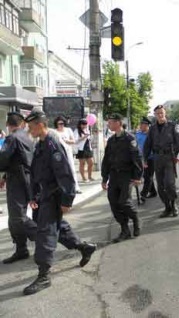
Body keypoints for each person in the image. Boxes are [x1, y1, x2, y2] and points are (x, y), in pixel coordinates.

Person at [23, 110, 96, 295]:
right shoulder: (40, 144)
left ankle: (44, 276)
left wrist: (67, 200)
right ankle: (84, 247)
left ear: (40, 125)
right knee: (59, 228)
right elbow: (36, 173)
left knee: (45, 235)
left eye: (31, 127)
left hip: (54, 196)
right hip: (43, 196)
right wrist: (33, 196)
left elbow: (65, 174)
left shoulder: (52, 144)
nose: (29, 131)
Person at [0, 112, 37, 264]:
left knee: (18, 217)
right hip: (28, 178)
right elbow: (17, 159)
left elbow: (3, 158)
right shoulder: (29, 137)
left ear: (8, 125)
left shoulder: (12, 138)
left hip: (18, 180)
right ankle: (21, 249)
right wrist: (4, 177)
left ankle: (44, 237)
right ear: (22, 123)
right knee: (14, 217)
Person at [101, 113, 143, 242]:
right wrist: (104, 178)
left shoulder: (130, 139)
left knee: (124, 202)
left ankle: (135, 219)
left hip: (127, 175)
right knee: (113, 202)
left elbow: (137, 158)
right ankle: (124, 229)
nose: (108, 124)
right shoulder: (111, 140)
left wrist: (137, 176)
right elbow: (106, 160)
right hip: (114, 175)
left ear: (118, 123)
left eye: (110, 122)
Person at [143, 105, 179, 217]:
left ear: (165, 113)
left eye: (162, 113)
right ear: (155, 115)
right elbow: (147, 145)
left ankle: (173, 204)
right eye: (158, 113)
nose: (160, 115)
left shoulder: (173, 126)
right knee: (160, 187)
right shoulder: (152, 128)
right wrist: (144, 159)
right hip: (157, 159)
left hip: (169, 159)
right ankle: (167, 207)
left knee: (169, 184)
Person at [54, 116, 82, 193]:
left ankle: (76, 186)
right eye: (59, 123)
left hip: (68, 151)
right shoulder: (54, 132)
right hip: (59, 154)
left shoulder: (68, 130)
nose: (61, 125)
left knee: (72, 169)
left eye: (62, 123)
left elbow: (74, 141)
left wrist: (67, 141)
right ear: (56, 124)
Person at [135, 117, 157, 202]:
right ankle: (153, 191)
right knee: (145, 175)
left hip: (151, 158)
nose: (141, 126)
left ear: (147, 125)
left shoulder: (152, 135)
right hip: (141, 158)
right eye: (140, 124)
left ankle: (143, 194)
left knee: (148, 176)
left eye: (143, 124)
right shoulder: (138, 134)